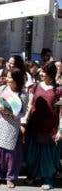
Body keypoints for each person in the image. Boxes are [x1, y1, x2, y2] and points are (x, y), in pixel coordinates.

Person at [24, 61, 62, 190]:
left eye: (44, 72)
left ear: (50, 74)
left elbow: (61, 113)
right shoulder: (34, 86)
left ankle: (48, 179)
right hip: (34, 124)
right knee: (32, 152)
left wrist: (60, 130)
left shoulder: (59, 90)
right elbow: (30, 105)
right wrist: (25, 120)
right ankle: (31, 175)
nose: (41, 73)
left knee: (47, 155)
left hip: (50, 127)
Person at [0, 68, 28, 188]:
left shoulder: (23, 94)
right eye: (7, 76)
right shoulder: (2, 89)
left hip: (12, 125)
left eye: (10, 77)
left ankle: (10, 177)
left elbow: (21, 113)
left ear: (16, 79)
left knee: (11, 154)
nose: (7, 79)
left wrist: (9, 111)